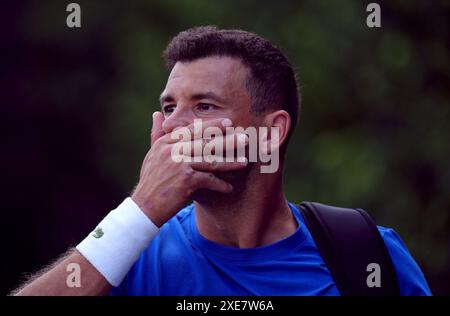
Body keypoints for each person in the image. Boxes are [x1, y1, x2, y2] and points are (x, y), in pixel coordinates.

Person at [12, 26, 431, 296]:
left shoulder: (366, 255)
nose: (173, 126)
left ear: (271, 132)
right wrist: (141, 211)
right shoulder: (129, 254)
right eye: (168, 106)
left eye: (205, 106)